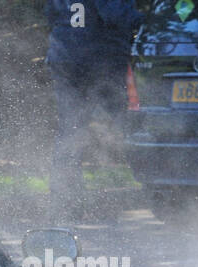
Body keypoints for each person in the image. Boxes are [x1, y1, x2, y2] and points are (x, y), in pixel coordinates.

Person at [45, 0, 144, 220]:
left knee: (70, 130)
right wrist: (152, 21)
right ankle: (161, 182)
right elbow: (116, 14)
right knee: (129, 122)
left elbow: (51, 14)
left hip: (63, 57)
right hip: (98, 61)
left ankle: (65, 202)